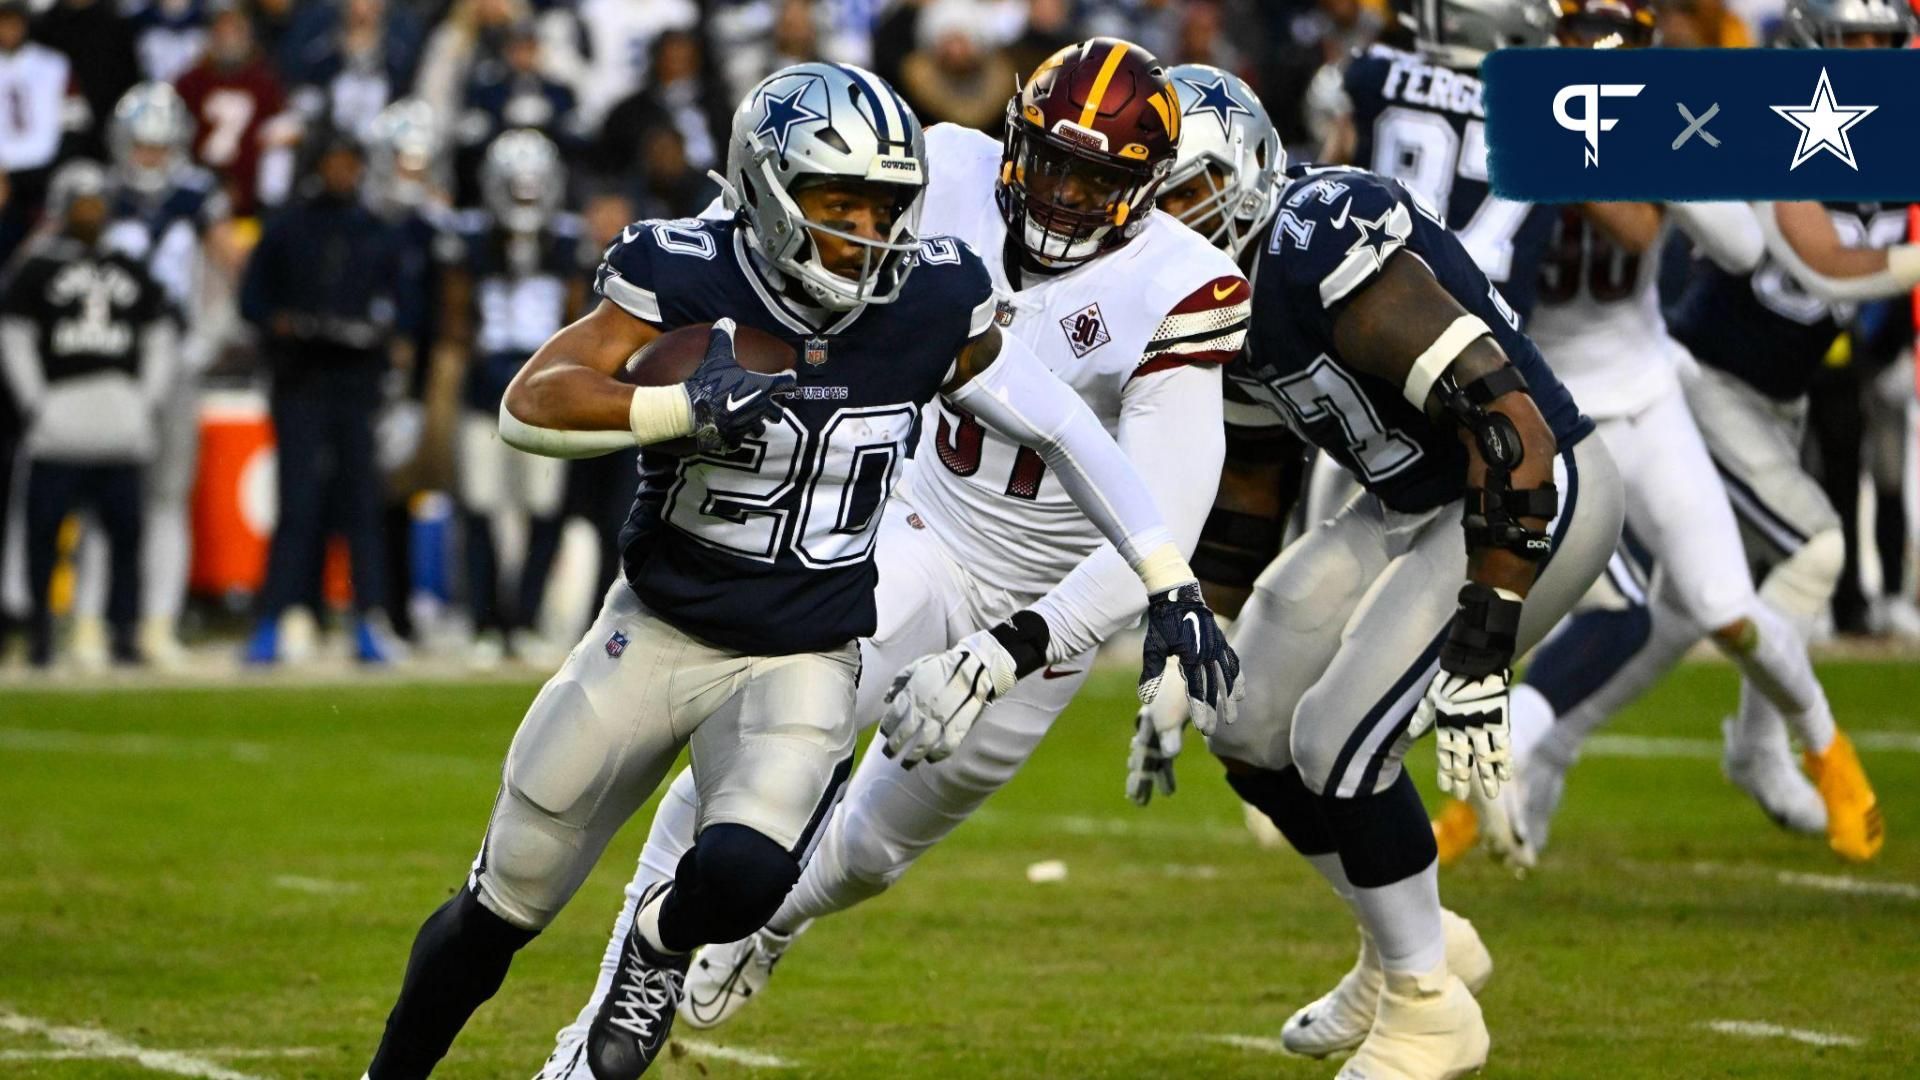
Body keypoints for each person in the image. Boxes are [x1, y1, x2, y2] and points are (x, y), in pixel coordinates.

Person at [363, 60, 1238, 1080]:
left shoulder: (968, 291)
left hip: (993, 593)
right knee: (511, 896)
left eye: (884, 209)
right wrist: (674, 405)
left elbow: (1082, 446)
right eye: (838, 205)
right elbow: (544, 394)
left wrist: (1158, 585)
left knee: (841, 857)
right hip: (841, 558)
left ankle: (702, 933)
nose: (867, 234)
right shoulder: (706, 266)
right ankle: (579, 1038)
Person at [1202, 151, 1624, 1075]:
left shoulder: (1319, 240)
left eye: (1187, 195)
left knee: (1337, 738)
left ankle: (1428, 1007)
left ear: (1243, 181)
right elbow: (1252, 478)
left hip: (1527, 495)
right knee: (1243, 718)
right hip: (1405, 504)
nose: (1161, 221)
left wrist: (1482, 646)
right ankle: (1410, 942)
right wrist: (1185, 626)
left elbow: (1509, 429)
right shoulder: (1206, 292)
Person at [1515, 0, 1916, 865]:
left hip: (1690, 386)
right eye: (1860, 45)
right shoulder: (1517, 132)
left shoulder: (1877, 128)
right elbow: (1804, 255)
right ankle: (1766, 748)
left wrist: (1655, 157)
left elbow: (1735, 242)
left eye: (1886, 45)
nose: (1876, 61)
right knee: (1797, 554)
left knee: (1696, 610)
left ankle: (1554, 751)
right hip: (1641, 389)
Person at [239, 133, 414, 664]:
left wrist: (378, 338)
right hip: (301, 384)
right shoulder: (288, 227)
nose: (343, 175)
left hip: (355, 387)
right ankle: (274, 620)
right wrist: (288, 325)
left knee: (362, 506)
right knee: (298, 506)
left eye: (350, 165)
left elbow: (401, 311)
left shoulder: (375, 231)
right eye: (334, 164)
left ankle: (367, 621)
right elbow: (253, 302)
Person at [0, 161, 176, 668]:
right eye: (81, 203)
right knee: (42, 538)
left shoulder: (129, 267)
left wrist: (145, 401)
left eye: (98, 203)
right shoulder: (35, 267)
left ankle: (123, 634)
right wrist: (36, 402)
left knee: (126, 539)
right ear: (60, 207)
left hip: (120, 425)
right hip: (60, 425)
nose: (90, 213)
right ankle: (38, 635)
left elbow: (160, 338)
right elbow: (14, 339)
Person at [83, 82, 234, 667]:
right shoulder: (100, 193)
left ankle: (156, 622)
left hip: (171, 358)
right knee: (104, 497)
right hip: (108, 361)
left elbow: (231, 271)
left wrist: (208, 338)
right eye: (141, 145)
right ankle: (92, 622)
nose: (149, 155)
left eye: (159, 145)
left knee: (167, 498)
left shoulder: (197, 196)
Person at [439, 130, 582, 664]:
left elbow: (577, 321)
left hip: (547, 391)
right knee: (480, 507)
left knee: (543, 508)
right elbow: (455, 318)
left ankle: (523, 618)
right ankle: (484, 621)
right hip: (485, 391)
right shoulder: (470, 239)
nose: (525, 200)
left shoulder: (566, 241)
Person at [0, 0, 72, 268]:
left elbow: (75, 119)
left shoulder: (54, 64)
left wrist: (59, 168)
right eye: (2, 22)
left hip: (45, 171)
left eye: (13, 22)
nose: (8, 30)